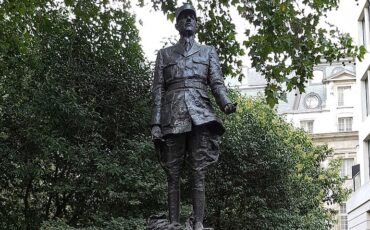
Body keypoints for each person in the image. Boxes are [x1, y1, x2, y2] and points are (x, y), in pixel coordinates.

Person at [151, 3, 236, 230]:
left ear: (196, 24)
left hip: (201, 115)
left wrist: (226, 103)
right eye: (184, 17)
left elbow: (217, 83)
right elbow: (158, 89)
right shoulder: (165, 54)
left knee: (199, 171)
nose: (188, 20)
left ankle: (198, 223)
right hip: (172, 116)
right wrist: (155, 123)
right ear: (177, 24)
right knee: (173, 172)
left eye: (192, 17)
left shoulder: (208, 52)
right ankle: (174, 223)